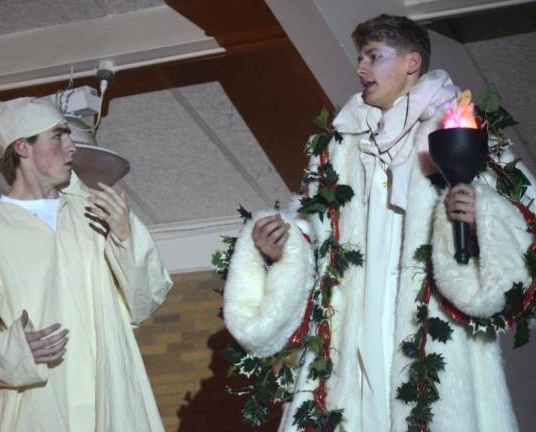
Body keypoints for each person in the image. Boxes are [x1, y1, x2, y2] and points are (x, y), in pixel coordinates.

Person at [223, 14, 532, 432]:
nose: (360, 69)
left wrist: (482, 213)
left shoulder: (463, 127)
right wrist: (282, 242)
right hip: (356, 308)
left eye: (374, 56)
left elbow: (524, 215)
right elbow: (314, 222)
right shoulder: (341, 144)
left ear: (411, 63)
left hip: (427, 312)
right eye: (360, 57)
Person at [0, 97, 173, 431]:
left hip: (107, 394)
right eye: (58, 136)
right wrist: (12, 349)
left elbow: (144, 301)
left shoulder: (96, 213)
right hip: (35, 402)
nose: (72, 146)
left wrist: (124, 238)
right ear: (22, 147)